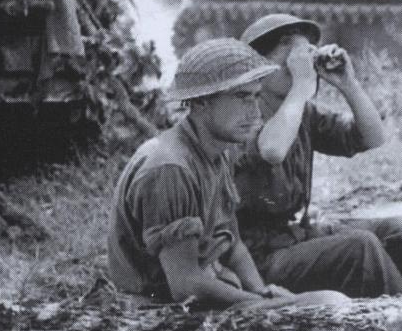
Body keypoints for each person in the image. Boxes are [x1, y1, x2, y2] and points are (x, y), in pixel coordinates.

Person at [106, 37, 346, 310]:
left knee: (327, 303)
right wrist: (259, 305)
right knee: (329, 305)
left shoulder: (216, 153)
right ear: (201, 103)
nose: (255, 112)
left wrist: (263, 291)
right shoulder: (170, 168)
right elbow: (184, 284)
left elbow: (232, 245)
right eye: (242, 97)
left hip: (208, 291)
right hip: (160, 311)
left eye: (256, 97)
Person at [234, 14, 402, 298]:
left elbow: (373, 138)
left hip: (293, 237)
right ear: (258, 65)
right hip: (256, 258)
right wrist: (301, 87)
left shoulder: (301, 112)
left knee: (397, 231)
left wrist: (348, 84)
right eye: (288, 58)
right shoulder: (244, 113)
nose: (300, 66)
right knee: (361, 248)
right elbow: (271, 150)